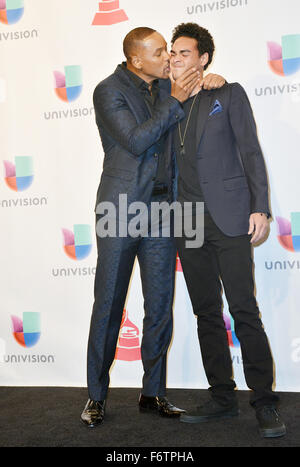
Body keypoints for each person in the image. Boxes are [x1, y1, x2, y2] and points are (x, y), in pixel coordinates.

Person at [80, 26, 225, 428]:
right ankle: (96, 396)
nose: (169, 59)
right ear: (135, 60)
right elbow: (137, 139)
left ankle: (153, 392)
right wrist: (176, 98)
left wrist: (213, 79)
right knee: (108, 304)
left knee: (159, 306)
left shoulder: (167, 88)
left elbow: (200, 95)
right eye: (160, 52)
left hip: (163, 211)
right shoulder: (108, 91)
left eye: (169, 51)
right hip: (121, 209)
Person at [169, 22, 286, 438]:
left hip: (230, 216)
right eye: (172, 52)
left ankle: (265, 401)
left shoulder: (228, 92)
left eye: (185, 52)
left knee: (243, 309)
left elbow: (250, 150)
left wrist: (260, 207)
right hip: (185, 221)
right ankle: (222, 397)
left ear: (203, 58)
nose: (176, 58)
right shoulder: (165, 103)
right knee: (205, 312)